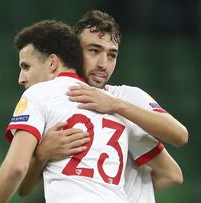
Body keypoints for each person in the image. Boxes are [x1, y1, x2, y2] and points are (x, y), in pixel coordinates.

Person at [18, 10, 188, 203]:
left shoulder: (124, 98)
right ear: (73, 50)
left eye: (112, 55)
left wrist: (117, 106)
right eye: (94, 51)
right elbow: (24, 189)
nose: (103, 64)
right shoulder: (56, 102)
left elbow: (180, 136)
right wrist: (41, 155)